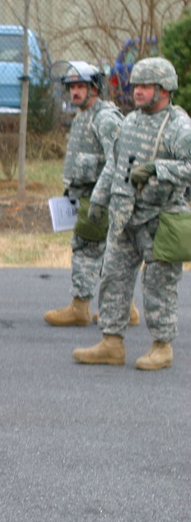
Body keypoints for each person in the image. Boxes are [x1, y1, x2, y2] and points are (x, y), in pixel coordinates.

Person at [73, 57, 191, 370]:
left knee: (159, 285)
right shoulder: (130, 121)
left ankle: (162, 347)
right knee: (113, 277)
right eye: (136, 85)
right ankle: (111, 343)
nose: (137, 91)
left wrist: (158, 169)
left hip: (159, 220)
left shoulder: (179, 126)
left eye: (145, 85)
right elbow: (114, 162)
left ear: (164, 90)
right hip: (124, 216)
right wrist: (98, 201)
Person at [43, 61, 126, 327]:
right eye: (71, 87)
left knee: (85, 249)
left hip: (97, 198)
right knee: (107, 254)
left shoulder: (104, 118)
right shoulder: (83, 116)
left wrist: (102, 197)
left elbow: (118, 159)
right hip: (83, 194)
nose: (75, 92)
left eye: (81, 86)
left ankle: (80, 307)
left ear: (95, 88)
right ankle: (128, 309)